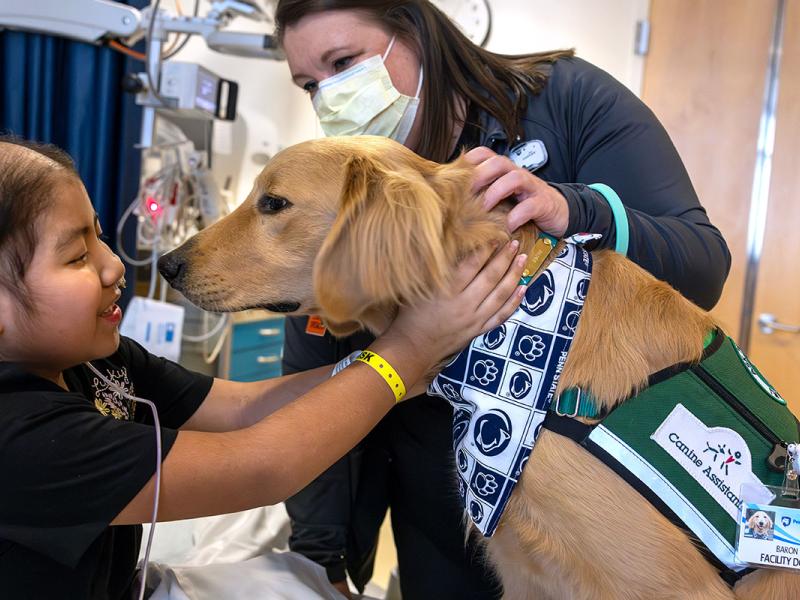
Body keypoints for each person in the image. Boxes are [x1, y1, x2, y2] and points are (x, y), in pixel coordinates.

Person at [274, 1, 732, 598]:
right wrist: (321, 554)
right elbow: (320, 372)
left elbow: (701, 264)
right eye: (310, 85)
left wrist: (574, 209)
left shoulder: (567, 100)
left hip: (602, 489)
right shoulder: (346, 183)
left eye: (344, 62)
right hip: (441, 497)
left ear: (413, 32)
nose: (330, 98)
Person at [0, 136, 526, 600]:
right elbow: (262, 467)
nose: (114, 264)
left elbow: (242, 407)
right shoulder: (16, 436)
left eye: (98, 235)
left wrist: (425, 361)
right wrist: (408, 350)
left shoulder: (96, 361)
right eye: (75, 256)